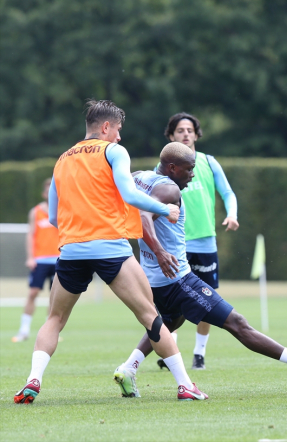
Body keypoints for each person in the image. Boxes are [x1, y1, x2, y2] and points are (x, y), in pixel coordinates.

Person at [14, 100, 207, 404]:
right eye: (117, 129)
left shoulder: (62, 159)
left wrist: (78, 230)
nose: (119, 136)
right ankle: (185, 385)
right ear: (106, 127)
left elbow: (53, 217)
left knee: (54, 319)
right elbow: (129, 194)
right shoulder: (114, 151)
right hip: (110, 248)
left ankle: (33, 380)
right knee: (150, 316)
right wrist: (164, 209)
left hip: (72, 250)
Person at [113, 142, 287, 398]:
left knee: (169, 322)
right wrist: (161, 253)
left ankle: (129, 368)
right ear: (172, 168)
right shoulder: (170, 189)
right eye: (189, 169)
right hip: (177, 280)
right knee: (237, 323)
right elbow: (143, 218)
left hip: (154, 280)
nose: (192, 175)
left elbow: (118, 190)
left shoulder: (140, 177)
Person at [158, 112, 238, 371]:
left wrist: (232, 214)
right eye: (180, 130)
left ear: (196, 134)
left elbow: (227, 192)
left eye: (190, 130)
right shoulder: (164, 168)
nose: (185, 134)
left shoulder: (208, 162)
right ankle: (171, 349)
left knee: (207, 297)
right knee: (170, 300)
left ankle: (199, 354)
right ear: (171, 135)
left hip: (204, 243)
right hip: (174, 244)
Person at [12, 178, 60, 342]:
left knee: (55, 298)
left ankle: (51, 333)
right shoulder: (36, 212)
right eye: (48, 191)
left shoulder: (62, 210)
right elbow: (30, 235)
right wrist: (30, 257)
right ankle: (24, 330)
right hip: (40, 260)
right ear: (44, 194)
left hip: (59, 260)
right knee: (33, 293)